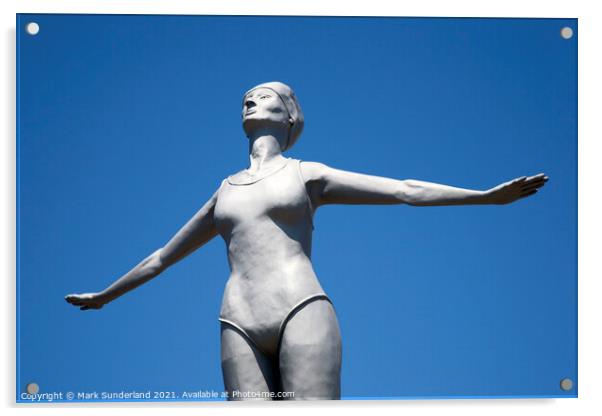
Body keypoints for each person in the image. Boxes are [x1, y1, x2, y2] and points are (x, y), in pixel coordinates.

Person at [65, 81, 548, 400]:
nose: (251, 102)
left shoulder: (307, 174)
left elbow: (403, 191)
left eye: (266, 96)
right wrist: (106, 296)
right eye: (246, 100)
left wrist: (485, 197)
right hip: (237, 320)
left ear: (288, 115)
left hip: (301, 309)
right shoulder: (225, 191)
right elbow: (160, 258)